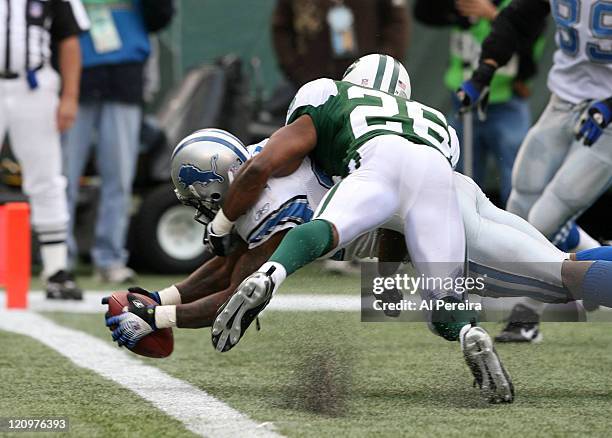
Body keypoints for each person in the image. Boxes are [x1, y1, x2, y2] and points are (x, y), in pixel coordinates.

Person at [106, 128, 612, 403]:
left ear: (215, 184)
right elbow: (226, 266)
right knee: (562, 268)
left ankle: (463, 330)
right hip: (452, 191)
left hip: (427, 218)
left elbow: (232, 290)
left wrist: (157, 318)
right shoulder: (266, 159)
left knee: (557, 286)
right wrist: (164, 297)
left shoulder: (266, 205)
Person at [458, 0, 612, 342]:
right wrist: (483, 74)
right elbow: (515, 20)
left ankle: (526, 316)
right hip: (565, 100)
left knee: (548, 213)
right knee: (520, 203)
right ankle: (597, 269)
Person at [62, 0, 173, 284]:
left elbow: (160, 17)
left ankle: (110, 259)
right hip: (74, 79)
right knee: (63, 177)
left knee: (119, 177)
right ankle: (59, 258)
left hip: (124, 78)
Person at [414, 0, 545, 205]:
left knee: (517, 176)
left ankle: (520, 231)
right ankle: (464, 229)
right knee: (460, 174)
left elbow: (532, 36)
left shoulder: (518, 6)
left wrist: (494, 16)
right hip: (464, 98)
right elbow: (424, 13)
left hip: (505, 97)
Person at [0, 0, 89, 299]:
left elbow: (69, 38)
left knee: (46, 176)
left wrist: (70, 96)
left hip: (34, 84)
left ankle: (55, 270)